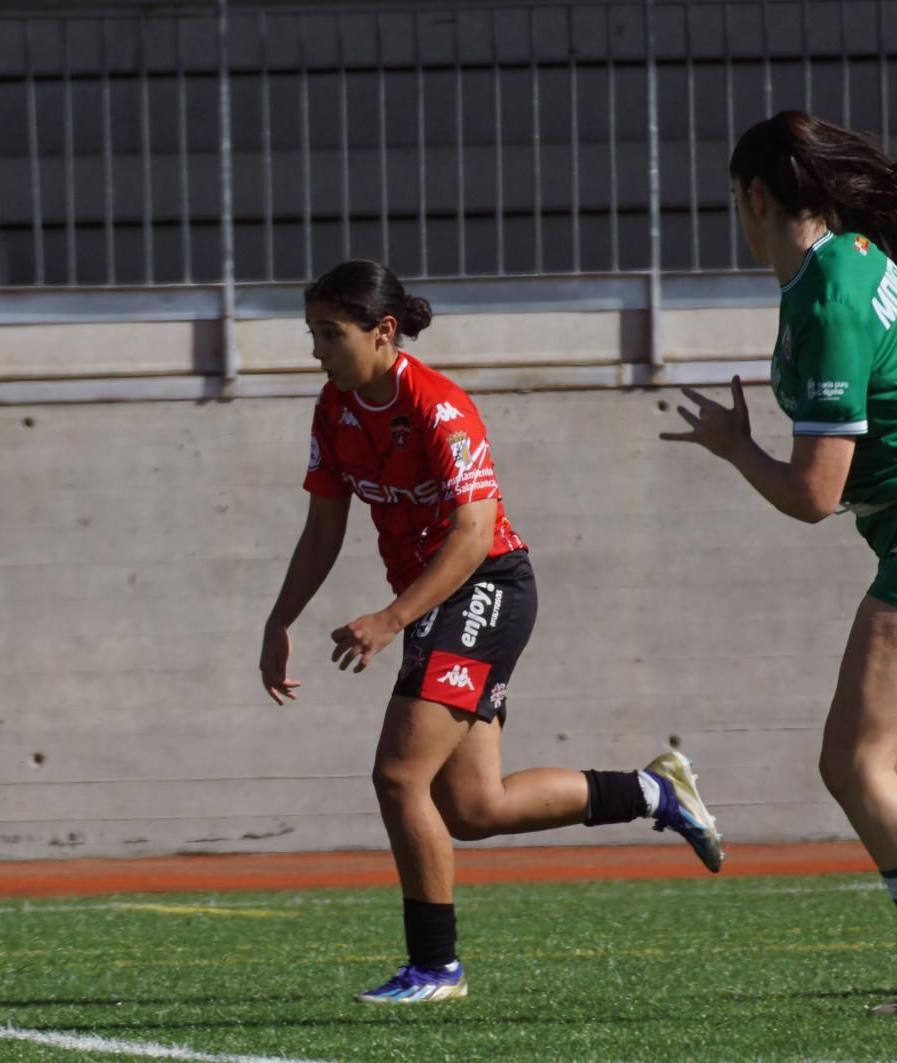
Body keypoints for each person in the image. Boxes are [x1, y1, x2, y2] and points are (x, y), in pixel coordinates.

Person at [260, 259, 724, 1005]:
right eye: (310, 333)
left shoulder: (440, 406)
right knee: (472, 808)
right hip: (434, 600)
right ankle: (649, 790)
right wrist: (279, 618)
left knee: (397, 776)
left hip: (485, 588)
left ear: (383, 332)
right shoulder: (334, 407)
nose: (316, 350)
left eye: (328, 333)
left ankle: (436, 967)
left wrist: (392, 618)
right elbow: (322, 528)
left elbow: (474, 537)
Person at [664, 110, 897, 1016]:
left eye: (736, 202)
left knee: (852, 769)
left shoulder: (825, 298)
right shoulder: (861, 255)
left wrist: (737, 448)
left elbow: (816, 494)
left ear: (757, 197)